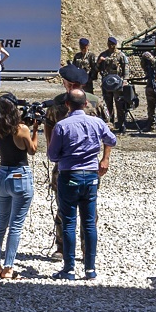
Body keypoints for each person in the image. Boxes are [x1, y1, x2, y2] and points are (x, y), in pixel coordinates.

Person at [47, 88, 116, 281]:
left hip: (69, 175)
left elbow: (52, 155)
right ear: (86, 104)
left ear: (67, 104)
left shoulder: (62, 126)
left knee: (69, 222)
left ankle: (69, 268)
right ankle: (90, 268)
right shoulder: (97, 122)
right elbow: (112, 139)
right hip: (91, 176)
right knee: (89, 222)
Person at [0, 94, 39, 279]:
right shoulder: (21, 129)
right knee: (15, 225)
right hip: (20, 175)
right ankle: (8, 267)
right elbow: (32, 150)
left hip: (3, 174)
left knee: (0, 222)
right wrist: (35, 130)